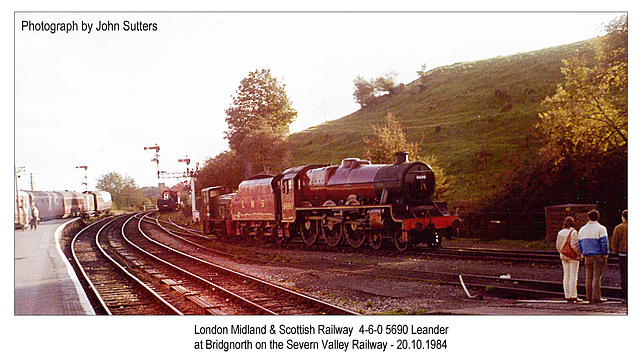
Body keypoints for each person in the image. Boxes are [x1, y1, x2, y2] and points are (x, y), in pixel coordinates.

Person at [577, 209, 609, 303]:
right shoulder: (601, 228)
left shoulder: (582, 229)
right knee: (596, 277)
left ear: (588, 218)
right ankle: (596, 297)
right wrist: (605, 253)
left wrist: (583, 252)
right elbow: (604, 243)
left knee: (589, 276)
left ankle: (589, 297)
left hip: (587, 256)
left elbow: (579, 244)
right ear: (598, 217)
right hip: (598, 255)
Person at [556, 216, 582, 302]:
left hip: (563, 256)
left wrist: (562, 252)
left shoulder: (560, 232)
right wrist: (579, 254)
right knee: (573, 276)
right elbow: (574, 245)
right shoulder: (573, 232)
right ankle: (573, 295)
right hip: (572, 257)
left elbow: (558, 245)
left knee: (566, 275)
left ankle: (567, 295)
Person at [610, 209, 627, 302]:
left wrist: (616, 251)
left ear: (623, 217)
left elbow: (614, 242)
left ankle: (625, 297)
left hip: (623, 254)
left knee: (624, 275)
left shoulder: (618, 228)